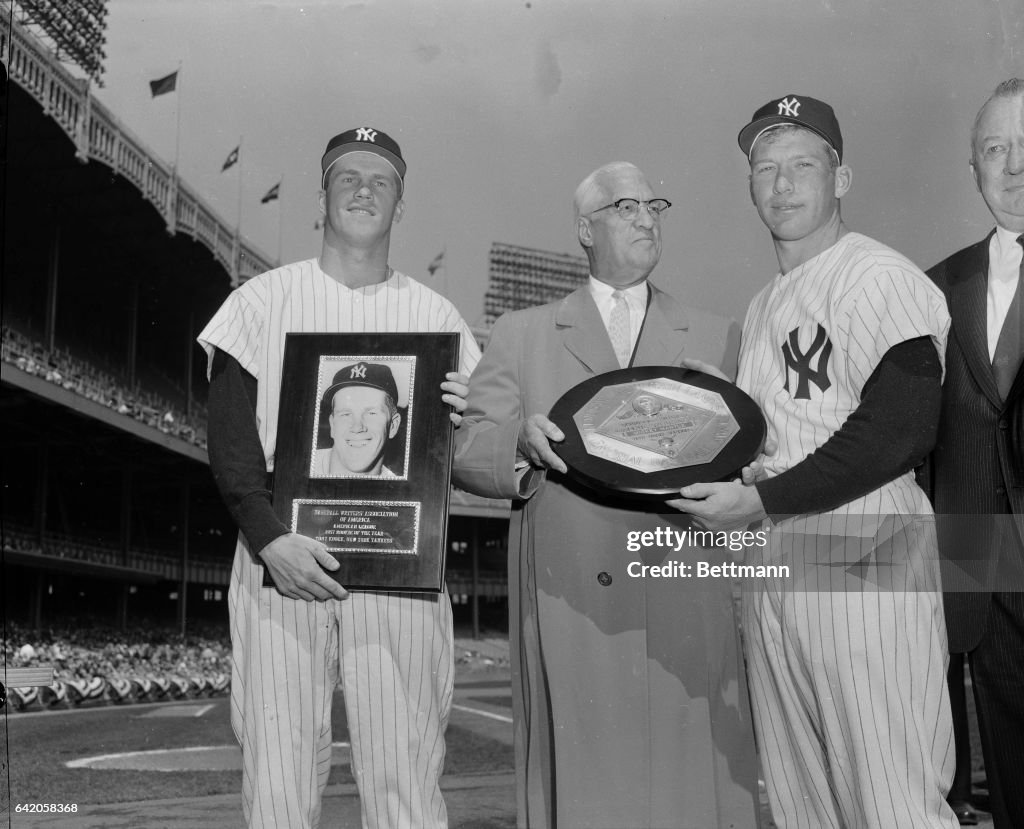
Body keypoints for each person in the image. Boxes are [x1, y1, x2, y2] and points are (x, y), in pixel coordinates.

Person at [668, 95, 959, 828]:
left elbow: (899, 429)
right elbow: (789, 434)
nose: (783, 182)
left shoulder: (878, 276)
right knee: (807, 808)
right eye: (765, 167)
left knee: (894, 801)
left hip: (866, 553)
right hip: (779, 564)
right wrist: (723, 415)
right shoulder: (765, 304)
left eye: (804, 164)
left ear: (843, 178)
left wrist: (761, 502)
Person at [452, 161, 758, 828]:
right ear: (584, 229)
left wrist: (736, 433)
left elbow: (757, 463)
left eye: (655, 205)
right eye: (625, 207)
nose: (646, 217)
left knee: (691, 786)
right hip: (573, 600)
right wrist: (520, 445)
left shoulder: (718, 334)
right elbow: (467, 449)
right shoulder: (521, 332)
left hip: (682, 590)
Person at [198, 127, 480, 829]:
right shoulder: (261, 299)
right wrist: (267, 538)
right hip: (279, 557)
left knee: (405, 773)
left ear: (400, 204)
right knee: (279, 774)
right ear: (322, 197)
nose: (363, 190)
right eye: (347, 177)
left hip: (401, 569)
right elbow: (231, 437)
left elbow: (467, 451)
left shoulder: (436, 317)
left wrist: (474, 418)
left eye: (380, 180)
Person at [922, 78, 1024, 829]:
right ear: (974, 168)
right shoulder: (934, 287)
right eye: (995, 149)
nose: (1014, 165)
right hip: (972, 571)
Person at [314, 361, 403, 478]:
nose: (357, 427)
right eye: (345, 414)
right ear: (333, 425)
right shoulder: (300, 468)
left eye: (371, 413)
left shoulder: (399, 491)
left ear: (393, 426)